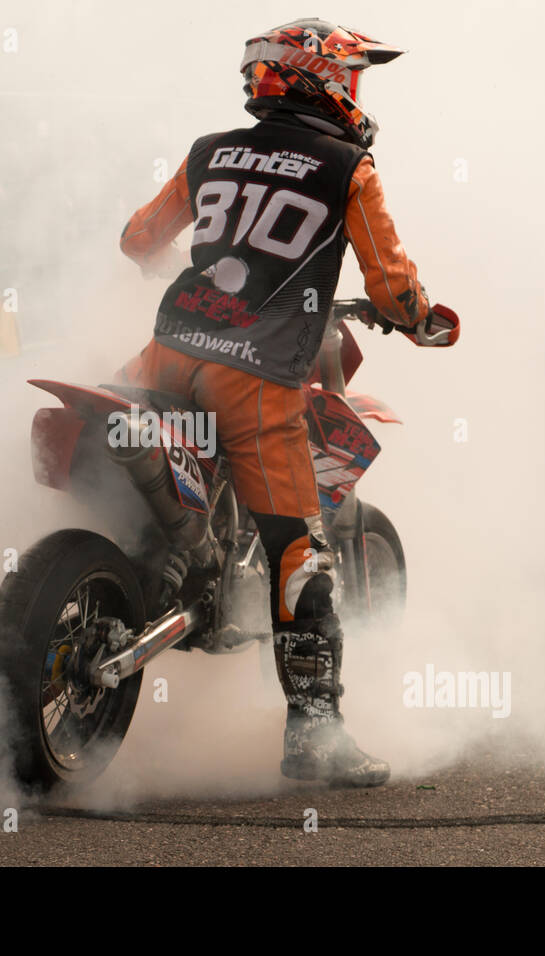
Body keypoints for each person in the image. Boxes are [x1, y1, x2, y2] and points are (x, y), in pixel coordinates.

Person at [115, 19, 461, 787]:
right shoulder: (348, 166)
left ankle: (152, 567)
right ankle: (315, 735)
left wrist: (197, 277)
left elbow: (140, 240)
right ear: (318, 78)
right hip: (256, 375)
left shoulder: (210, 151)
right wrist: (419, 319)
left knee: (119, 462)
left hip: (165, 353)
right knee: (302, 550)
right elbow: (391, 284)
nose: (355, 91)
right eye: (352, 76)